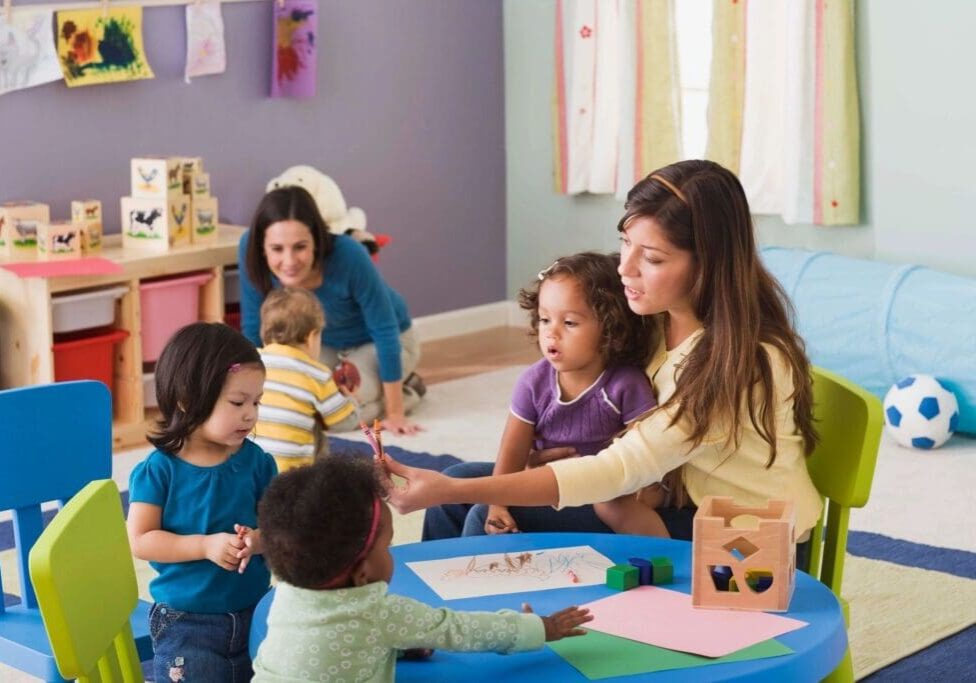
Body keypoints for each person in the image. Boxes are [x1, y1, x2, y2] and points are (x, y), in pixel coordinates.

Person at [384, 160, 824, 558]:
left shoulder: (740, 363)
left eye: (650, 257)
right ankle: (426, 626)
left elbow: (618, 470)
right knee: (458, 495)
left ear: (706, 265)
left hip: (739, 543)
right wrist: (502, 475)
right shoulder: (654, 321)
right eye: (625, 243)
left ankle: (481, 638)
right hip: (668, 498)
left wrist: (453, 488)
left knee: (482, 512)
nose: (625, 268)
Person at [251, 456, 592, 682]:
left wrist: (398, 645)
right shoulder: (379, 613)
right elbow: (461, 629)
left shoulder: (286, 595)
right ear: (362, 573)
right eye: (386, 547)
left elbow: (333, 643)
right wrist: (539, 628)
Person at [423, 251, 662, 540]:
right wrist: (498, 503)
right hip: (542, 479)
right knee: (454, 480)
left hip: (598, 495)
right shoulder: (533, 383)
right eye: (545, 319)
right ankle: (428, 576)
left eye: (570, 323)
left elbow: (652, 454)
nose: (552, 333)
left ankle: (469, 582)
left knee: (479, 515)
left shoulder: (625, 385)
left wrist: (648, 494)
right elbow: (512, 453)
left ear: (611, 328)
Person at [126, 322, 278, 682]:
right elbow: (141, 539)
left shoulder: (257, 463)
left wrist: (258, 540)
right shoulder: (158, 471)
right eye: (238, 402)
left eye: (256, 402)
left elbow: (282, 527)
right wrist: (205, 545)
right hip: (187, 623)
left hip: (259, 611)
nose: (250, 414)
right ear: (188, 400)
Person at [239, 185, 425, 435]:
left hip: (383, 342)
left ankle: (407, 393)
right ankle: (389, 387)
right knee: (297, 401)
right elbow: (253, 329)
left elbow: (385, 330)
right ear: (262, 247)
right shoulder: (248, 250)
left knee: (335, 410)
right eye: (277, 249)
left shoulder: (349, 254)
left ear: (316, 239)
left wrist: (395, 413)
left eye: (300, 247)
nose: (289, 261)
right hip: (319, 345)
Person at [253, 286, 360, 472]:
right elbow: (345, 423)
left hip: (250, 471)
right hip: (293, 478)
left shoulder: (251, 362)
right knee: (317, 430)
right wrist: (351, 400)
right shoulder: (316, 373)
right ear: (312, 337)